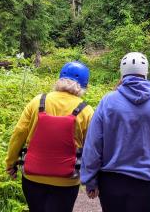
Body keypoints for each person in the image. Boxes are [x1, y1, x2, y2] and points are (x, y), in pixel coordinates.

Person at [81, 52, 150, 212]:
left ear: (122, 73)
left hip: (112, 182)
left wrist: (90, 179)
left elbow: (93, 143)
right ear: (145, 73)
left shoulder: (108, 101)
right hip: (148, 181)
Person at [5, 61, 94, 212]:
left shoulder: (37, 101)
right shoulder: (86, 111)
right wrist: (91, 178)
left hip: (33, 178)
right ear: (84, 85)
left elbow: (19, 133)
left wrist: (11, 162)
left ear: (60, 79)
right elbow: (92, 147)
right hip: (67, 181)